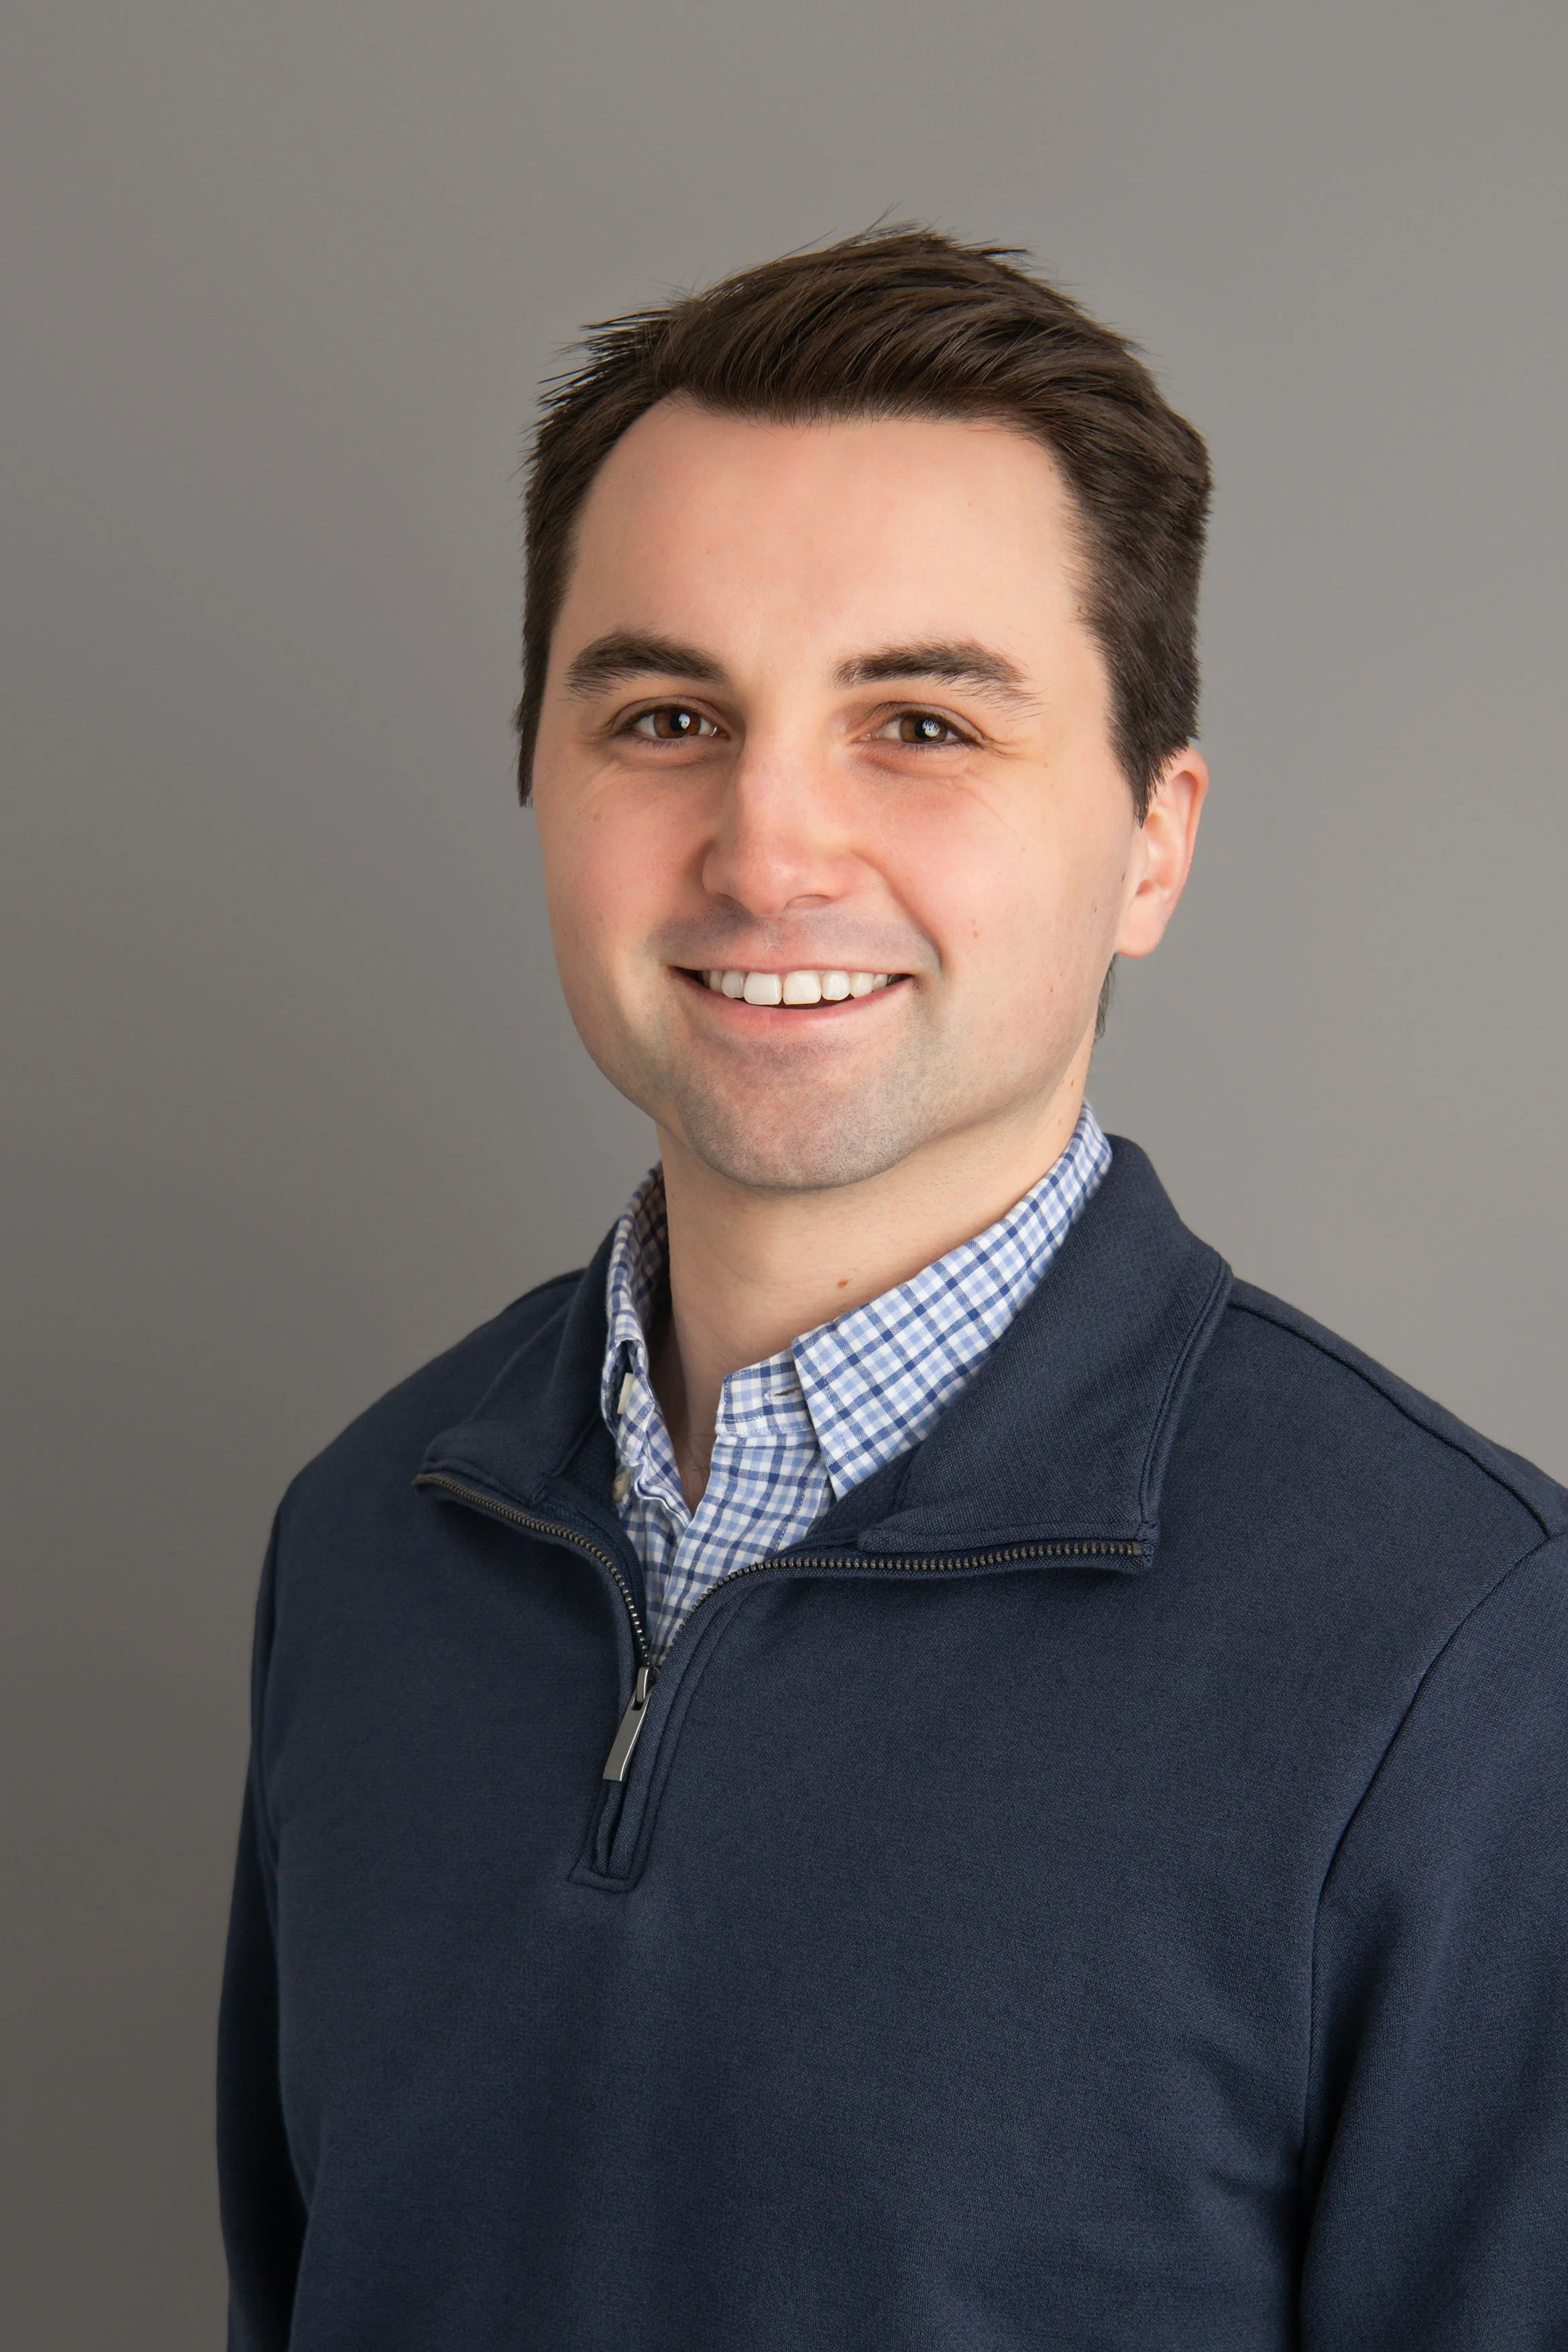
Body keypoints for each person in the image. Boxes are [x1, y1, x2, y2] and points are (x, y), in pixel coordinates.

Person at [217, 229, 1568, 2351]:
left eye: (920, 723)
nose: (767, 853)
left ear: (1153, 841)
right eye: (669, 716)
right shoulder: (368, 1538)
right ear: (540, 777)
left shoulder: (1470, 1659)